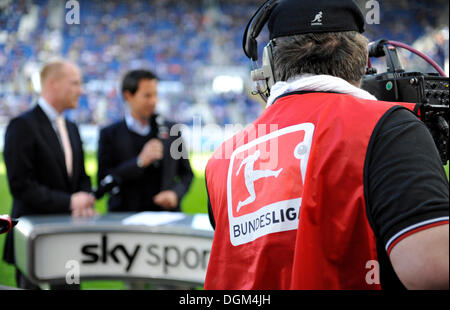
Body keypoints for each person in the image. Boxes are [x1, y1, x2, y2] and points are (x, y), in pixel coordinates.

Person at [204, 0, 449, 290]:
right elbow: (433, 269)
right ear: (362, 59)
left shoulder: (223, 159)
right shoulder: (390, 129)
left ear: (270, 64)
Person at [3, 60, 96, 289]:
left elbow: (81, 176)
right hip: (35, 242)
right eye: (75, 83)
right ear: (52, 84)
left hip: (69, 239)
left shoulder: (71, 127)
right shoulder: (21, 125)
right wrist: (70, 201)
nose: (81, 90)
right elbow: (21, 185)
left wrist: (84, 197)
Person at [97, 69, 193, 213]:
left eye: (155, 95)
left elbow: (187, 174)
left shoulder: (172, 130)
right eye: (147, 95)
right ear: (128, 96)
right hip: (124, 220)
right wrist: (139, 162)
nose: (153, 101)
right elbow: (104, 181)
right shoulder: (109, 134)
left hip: (166, 219)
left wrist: (175, 194)